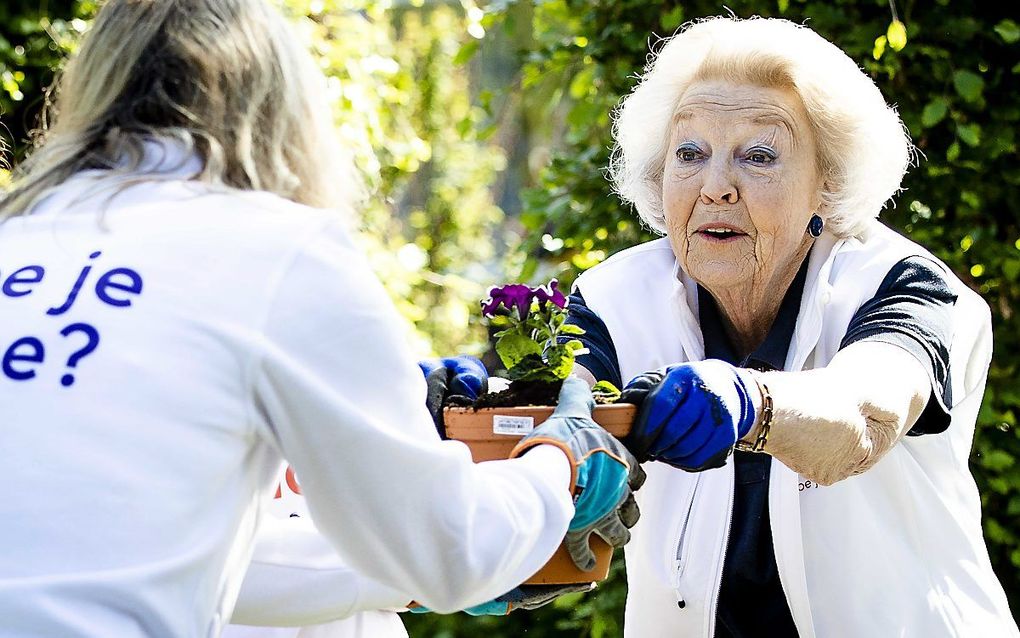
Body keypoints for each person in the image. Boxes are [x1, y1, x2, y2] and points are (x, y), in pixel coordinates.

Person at [0, 1, 643, 636]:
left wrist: (390, 558)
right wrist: (562, 460)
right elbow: (453, 551)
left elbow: (220, 558)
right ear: (280, 108)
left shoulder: (15, 240)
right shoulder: (274, 249)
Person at [562, 16, 1020, 638]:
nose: (716, 187)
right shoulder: (615, 296)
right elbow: (558, 420)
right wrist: (468, 421)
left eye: (759, 156)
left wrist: (753, 404)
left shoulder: (905, 284)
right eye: (689, 153)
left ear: (826, 183)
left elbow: (864, 415)